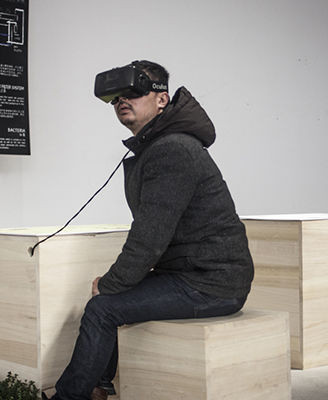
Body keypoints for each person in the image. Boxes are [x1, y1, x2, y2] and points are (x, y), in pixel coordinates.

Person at [44, 60, 254, 400]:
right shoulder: (161, 147)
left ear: (161, 99)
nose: (122, 101)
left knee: (103, 307)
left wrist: (110, 283)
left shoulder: (173, 149)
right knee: (109, 300)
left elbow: (149, 237)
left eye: (133, 93)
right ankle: (97, 387)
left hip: (212, 283)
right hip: (193, 274)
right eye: (116, 98)